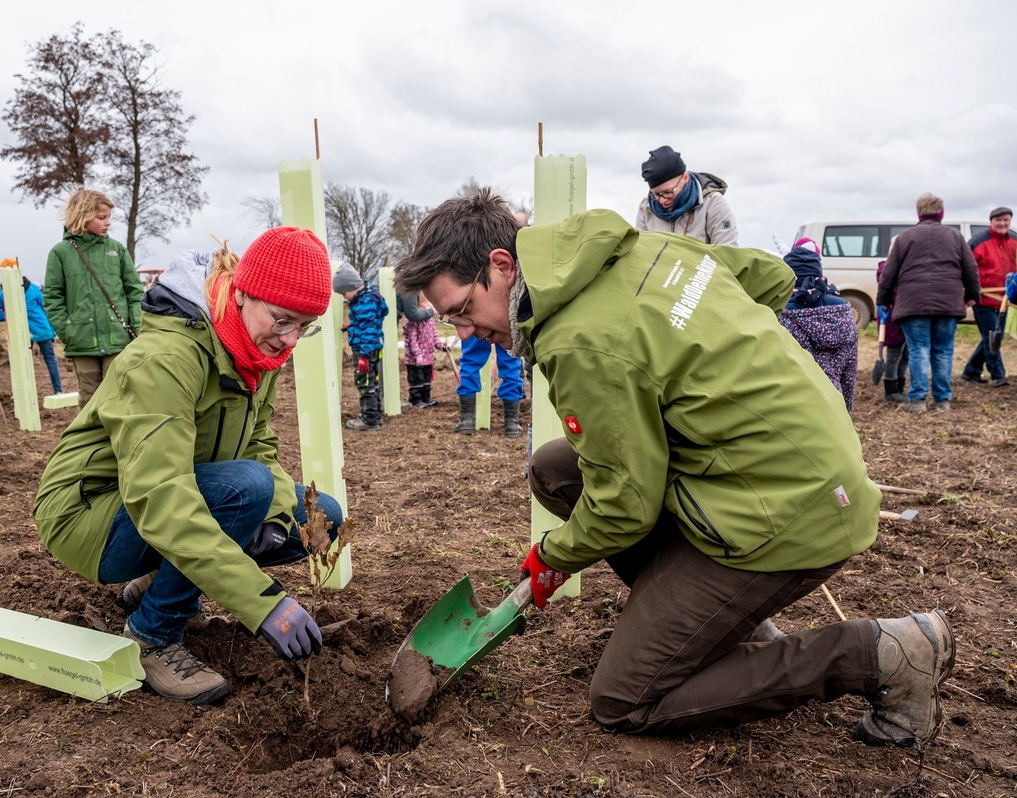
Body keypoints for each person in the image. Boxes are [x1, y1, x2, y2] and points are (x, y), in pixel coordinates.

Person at [395, 187, 954, 747]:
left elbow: (625, 507)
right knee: (557, 470)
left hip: (789, 508)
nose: (464, 331)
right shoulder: (641, 248)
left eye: (463, 310)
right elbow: (769, 278)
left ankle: (884, 654)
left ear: (501, 265)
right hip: (790, 463)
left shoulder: (582, 342)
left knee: (624, 699)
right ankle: (729, 625)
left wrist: (552, 557)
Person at [33, 227, 342, 706]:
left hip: (174, 499)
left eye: (304, 326)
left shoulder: (256, 353)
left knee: (319, 517)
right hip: (89, 514)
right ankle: (152, 636)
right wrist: (265, 604)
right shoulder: (167, 359)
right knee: (247, 490)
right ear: (241, 292)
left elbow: (258, 447)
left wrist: (280, 522)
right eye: (282, 319)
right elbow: (163, 497)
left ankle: (158, 583)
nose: (289, 340)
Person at [876, 193, 980, 413]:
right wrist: (972, 294)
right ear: (941, 213)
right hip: (948, 302)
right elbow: (971, 269)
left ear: (919, 213)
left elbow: (889, 273)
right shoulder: (955, 237)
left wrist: (884, 300)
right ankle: (942, 401)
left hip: (913, 303)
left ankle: (918, 400)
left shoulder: (904, 238)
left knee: (918, 350)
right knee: (943, 351)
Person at [43, 187, 143, 407]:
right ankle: (89, 441)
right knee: (90, 401)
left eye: (108, 217)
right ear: (83, 216)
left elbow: (135, 292)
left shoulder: (117, 250)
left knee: (119, 397)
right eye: (101, 217)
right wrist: (68, 331)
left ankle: (118, 442)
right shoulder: (60, 253)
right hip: (82, 342)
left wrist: (137, 328)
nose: (108, 222)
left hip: (118, 340)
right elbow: (52, 297)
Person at [775, 237, 858, 412]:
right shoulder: (842, 311)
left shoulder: (780, 315)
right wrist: (846, 410)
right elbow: (849, 371)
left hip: (793, 405)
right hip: (833, 402)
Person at [634, 146, 738, 245]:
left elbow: (727, 253)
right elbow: (640, 253)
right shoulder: (646, 208)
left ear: (685, 177)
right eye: (656, 194)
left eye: (668, 192)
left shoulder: (713, 203)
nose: (662, 201)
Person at [962, 206, 1016, 387]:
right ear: (991, 222)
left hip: (1005, 299)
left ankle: (971, 371)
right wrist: (968, 293)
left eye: (1006, 220)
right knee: (993, 335)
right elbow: (966, 269)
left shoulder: (1014, 240)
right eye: (998, 220)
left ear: (1010, 221)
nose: (1002, 223)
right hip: (983, 298)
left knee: (991, 336)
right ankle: (998, 376)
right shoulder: (977, 242)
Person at [333, 263, 390, 432]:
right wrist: (350, 327)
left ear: (351, 287)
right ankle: (375, 416)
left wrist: (364, 355)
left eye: (344, 293)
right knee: (374, 382)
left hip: (365, 350)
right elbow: (366, 325)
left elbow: (369, 330)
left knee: (365, 383)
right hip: (374, 348)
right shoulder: (370, 298)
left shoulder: (364, 303)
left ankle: (369, 419)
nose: (344, 297)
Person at [0, 274, 65, 395]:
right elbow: (45, 309)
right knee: (50, 360)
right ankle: (58, 391)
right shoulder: (34, 289)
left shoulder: (3, 293)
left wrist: (8, 315)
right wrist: (52, 331)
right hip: (40, 329)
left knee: (23, 362)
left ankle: (22, 393)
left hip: (25, 332)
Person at [400, 291, 444, 408]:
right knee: (417, 379)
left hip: (428, 358)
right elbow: (412, 340)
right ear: (418, 306)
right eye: (426, 304)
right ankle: (416, 399)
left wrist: (440, 345)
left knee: (426, 378)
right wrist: (417, 354)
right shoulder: (412, 323)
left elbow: (434, 336)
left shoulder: (429, 322)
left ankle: (426, 397)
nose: (429, 307)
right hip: (415, 360)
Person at [876, 256, 909, 404]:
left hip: (903, 317)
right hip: (892, 320)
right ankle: (891, 390)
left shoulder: (900, 268)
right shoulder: (887, 270)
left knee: (905, 355)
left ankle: (899, 386)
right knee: (894, 355)